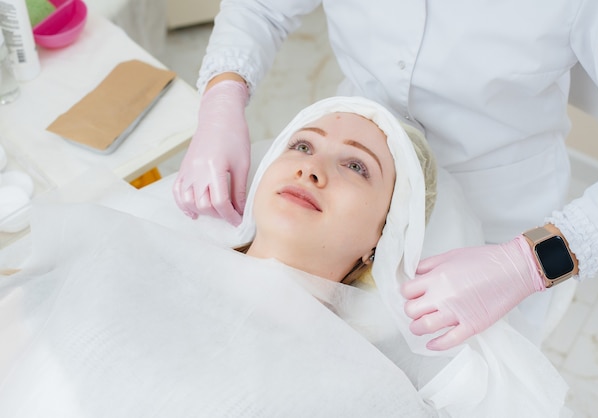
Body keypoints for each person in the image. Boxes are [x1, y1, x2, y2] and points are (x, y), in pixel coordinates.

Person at [0, 97, 567, 417]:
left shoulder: (365, 390)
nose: (310, 168)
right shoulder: (130, 254)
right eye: (300, 144)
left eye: (356, 166)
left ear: (385, 234)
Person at [172, 0, 598, 349]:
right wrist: (223, 94)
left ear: (376, 245)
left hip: (499, 221)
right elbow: (262, 8)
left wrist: (529, 262)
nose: (307, 169)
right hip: (362, 136)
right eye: (302, 146)